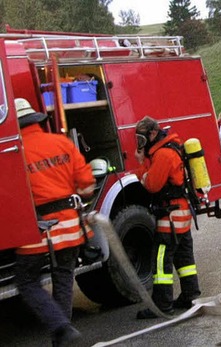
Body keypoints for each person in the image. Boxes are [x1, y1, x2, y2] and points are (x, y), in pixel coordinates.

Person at [13, 98, 95, 346]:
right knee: (63, 277)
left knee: (27, 281)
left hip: (35, 229)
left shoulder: (12, 153)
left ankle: (61, 329)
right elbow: (87, 188)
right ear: (36, 120)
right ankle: (65, 336)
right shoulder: (62, 143)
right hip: (69, 226)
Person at [134, 116, 201, 319]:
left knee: (161, 263)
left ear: (153, 134)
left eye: (142, 139)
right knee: (184, 260)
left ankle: (163, 305)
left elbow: (152, 184)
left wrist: (141, 166)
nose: (140, 144)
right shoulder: (171, 148)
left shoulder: (163, 154)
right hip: (181, 215)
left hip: (169, 219)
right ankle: (189, 295)